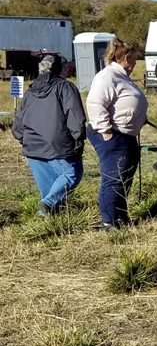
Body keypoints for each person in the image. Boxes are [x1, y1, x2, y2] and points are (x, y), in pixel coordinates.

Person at [12, 54, 86, 216]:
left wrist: (23, 138)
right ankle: (48, 205)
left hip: (33, 147)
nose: (67, 71)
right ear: (59, 69)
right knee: (71, 174)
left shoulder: (30, 91)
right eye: (66, 68)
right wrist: (78, 139)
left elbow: (18, 122)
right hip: (58, 146)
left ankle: (50, 220)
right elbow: (75, 117)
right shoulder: (65, 87)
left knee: (50, 189)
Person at [86, 39, 148, 230]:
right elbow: (95, 104)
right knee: (114, 178)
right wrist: (105, 131)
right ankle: (108, 221)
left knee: (125, 178)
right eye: (135, 57)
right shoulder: (107, 77)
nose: (137, 62)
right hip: (112, 135)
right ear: (126, 57)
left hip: (125, 135)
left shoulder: (122, 76)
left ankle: (120, 216)